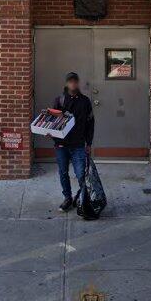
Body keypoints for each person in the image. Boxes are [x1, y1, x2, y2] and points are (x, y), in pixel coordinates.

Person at [52, 72, 95, 212]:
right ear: (66, 83)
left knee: (81, 174)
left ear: (78, 83)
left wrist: (89, 143)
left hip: (78, 145)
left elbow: (90, 123)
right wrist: (51, 134)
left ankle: (82, 198)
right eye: (70, 81)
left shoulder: (85, 101)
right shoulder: (59, 100)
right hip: (61, 145)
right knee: (63, 173)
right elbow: (52, 121)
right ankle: (67, 198)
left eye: (75, 81)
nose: (73, 84)